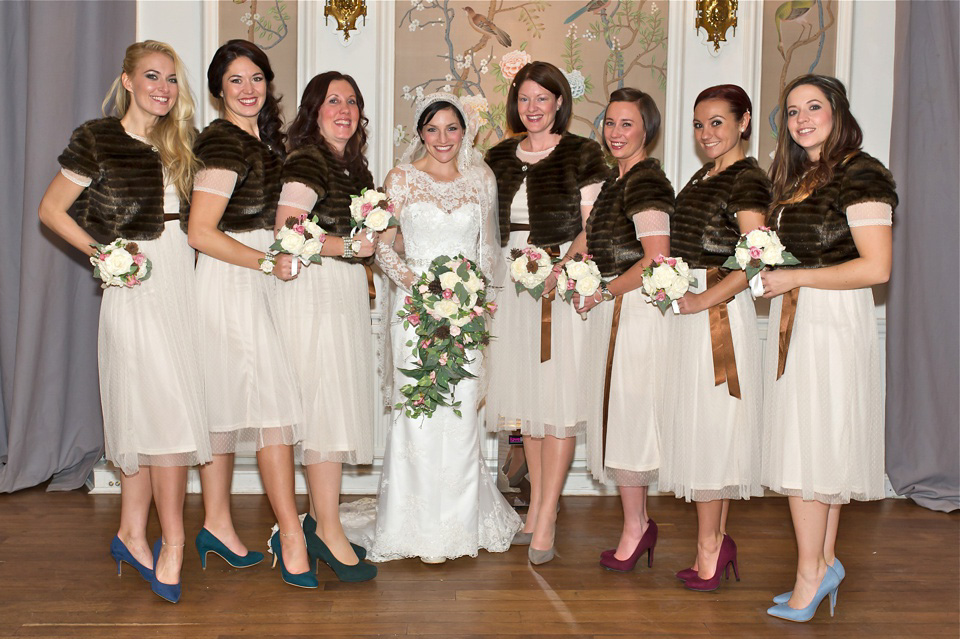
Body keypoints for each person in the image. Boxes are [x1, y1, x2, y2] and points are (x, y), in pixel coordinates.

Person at [38, 40, 209, 603]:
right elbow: (51, 210)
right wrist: (103, 255)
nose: (164, 88)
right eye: (152, 76)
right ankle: (175, 543)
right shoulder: (97, 137)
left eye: (172, 79)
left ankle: (132, 533)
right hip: (134, 279)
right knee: (161, 414)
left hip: (180, 276)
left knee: (159, 408)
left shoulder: (182, 142)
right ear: (128, 81)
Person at [362, 93, 521, 563]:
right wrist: (422, 285)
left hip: (468, 314)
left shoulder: (480, 180)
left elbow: (487, 252)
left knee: (460, 409)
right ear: (419, 133)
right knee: (419, 412)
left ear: (464, 131)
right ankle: (410, 525)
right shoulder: (402, 179)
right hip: (415, 313)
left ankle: (459, 523)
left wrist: (482, 305)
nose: (443, 139)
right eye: (432, 129)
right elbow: (381, 247)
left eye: (452, 128)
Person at [761, 74, 896, 622]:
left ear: (838, 111)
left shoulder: (863, 173)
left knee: (810, 451)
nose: (802, 119)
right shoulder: (805, 176)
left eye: (813, 107)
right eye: (793, 111)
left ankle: (811, 575)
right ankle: (824, 563)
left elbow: (877, 266)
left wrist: (796, 281)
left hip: (831, 322)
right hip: (802, 317)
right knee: (817, 448)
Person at [187, 39, 313, 588]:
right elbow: (200, 231)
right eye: (235, 80)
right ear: (219, 89)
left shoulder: (259, 139)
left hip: (255, 277)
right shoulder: (221, 140)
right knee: (271, 413)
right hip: (231, 280)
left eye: (256, 77)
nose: (248, 89)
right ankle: (290, 534)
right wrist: (266, 261)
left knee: (227, 406)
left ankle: (216, 522)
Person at [484, 62, 609, 564]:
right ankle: (534, 508)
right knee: (527, 409)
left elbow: (594, 224)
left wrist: (559, 270)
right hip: (510, 284)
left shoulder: (583, 153)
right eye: (524, 99)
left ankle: (549, 515)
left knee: (555, 407)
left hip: (559, 282)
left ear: (559, 102)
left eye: (543, 98)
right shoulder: (495, 156)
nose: (532, 108)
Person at [659, 84, 770, 591]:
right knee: (709, 430)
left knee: (710, 432)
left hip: (716, 316)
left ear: (743, 122)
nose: (706, 133)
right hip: (697, 312)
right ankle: (715, 540)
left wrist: (704, 299)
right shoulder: (706, 175)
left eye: (718, 122)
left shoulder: (746, 179)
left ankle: (710, 547)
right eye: (700, 124)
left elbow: (758, 254)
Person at [273, 71, 378, 582]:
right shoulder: (308, 159)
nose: (344, 108)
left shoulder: (353, 167)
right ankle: (329, 529)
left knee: (330, 406)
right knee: (325, 409)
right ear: (314, 110)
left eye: (352, 101)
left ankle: (320, 521)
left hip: (341, 292)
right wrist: (349, 248)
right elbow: (287, 231)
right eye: (333, 100)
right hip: (315, 293)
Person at [574, 89, 673, 573]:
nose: (615, 133)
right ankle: (637, 522)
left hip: (637, 315)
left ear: (647, 131)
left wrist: (604, 293)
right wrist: (561, 270)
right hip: (616, 309)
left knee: (630, 419)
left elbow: (656, 260)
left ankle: (637, 527)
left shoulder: (647, 182)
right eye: (609, 123)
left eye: (627, 124)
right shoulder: (618, 181)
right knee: (618, 418)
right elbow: (591, 238)